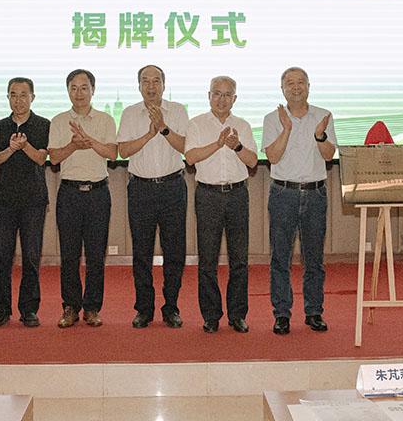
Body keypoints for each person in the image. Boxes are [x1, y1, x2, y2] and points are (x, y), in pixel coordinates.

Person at [262, 66, 336, 335]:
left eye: (301, 82)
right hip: (284, 194)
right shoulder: (273, 118)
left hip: (315, 194)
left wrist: (320, 136)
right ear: (282, 89)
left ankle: (314, 312)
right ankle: (282, 314)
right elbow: (272, 157)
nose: (296, 87)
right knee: (280, 257)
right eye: (290, 83)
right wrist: (287, 129)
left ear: (308, 86)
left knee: (313, 259)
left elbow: (328, 156)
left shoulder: (323, 116)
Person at [117, 65, 189, 329]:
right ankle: (144, 309)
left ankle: (171, 308)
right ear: (139, 86)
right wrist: (149, 134)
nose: (151, 86)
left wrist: (163, 128)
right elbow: (123, 151)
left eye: (156, 81)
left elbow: (186, 147)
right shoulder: (129, 113)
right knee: (142, 253)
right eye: (145, 81)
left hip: (172, 188)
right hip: (141, 189)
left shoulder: (178, 111)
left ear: (164, 85)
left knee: (174, 252)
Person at [185, 76, 258, 333]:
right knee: (208, 259)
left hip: (237, 195)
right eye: (217, 93)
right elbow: (190, 157)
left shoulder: (243, 126)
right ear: (209, 96)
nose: (221, 99)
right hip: (208, 196)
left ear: (234, 99)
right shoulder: (196, 124)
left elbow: (252, 161)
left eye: (227, 94)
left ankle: (237, 315)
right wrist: (217, 145)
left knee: (239, 259)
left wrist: (236, 146)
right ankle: (211, 315)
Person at [48, 68, 118, 328]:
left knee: (96, 255)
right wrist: (73, 145)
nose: (79, 93)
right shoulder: (58, 121)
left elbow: (112, 153)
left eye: (84, 88)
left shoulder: (105, 120)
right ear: (68, 91)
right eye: (74, 88)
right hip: (69, 193)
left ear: (93, 90)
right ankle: (70, 307)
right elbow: (54, 158)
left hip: (98, 193)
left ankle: (92, 308)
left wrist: (88, 140)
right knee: (69, 255)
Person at [0, 77, 50, 328]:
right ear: (8, 98)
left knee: (31, 257)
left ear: (32, 97)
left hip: (34, 201)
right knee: (2, 257)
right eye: (13, 95)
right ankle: (1, 309)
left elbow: (41, 158)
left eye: (23, 95)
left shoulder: (43, 124)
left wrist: (24, 146)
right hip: (5, 200)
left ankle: (29, 309)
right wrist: (11, 149)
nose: (18, 100)